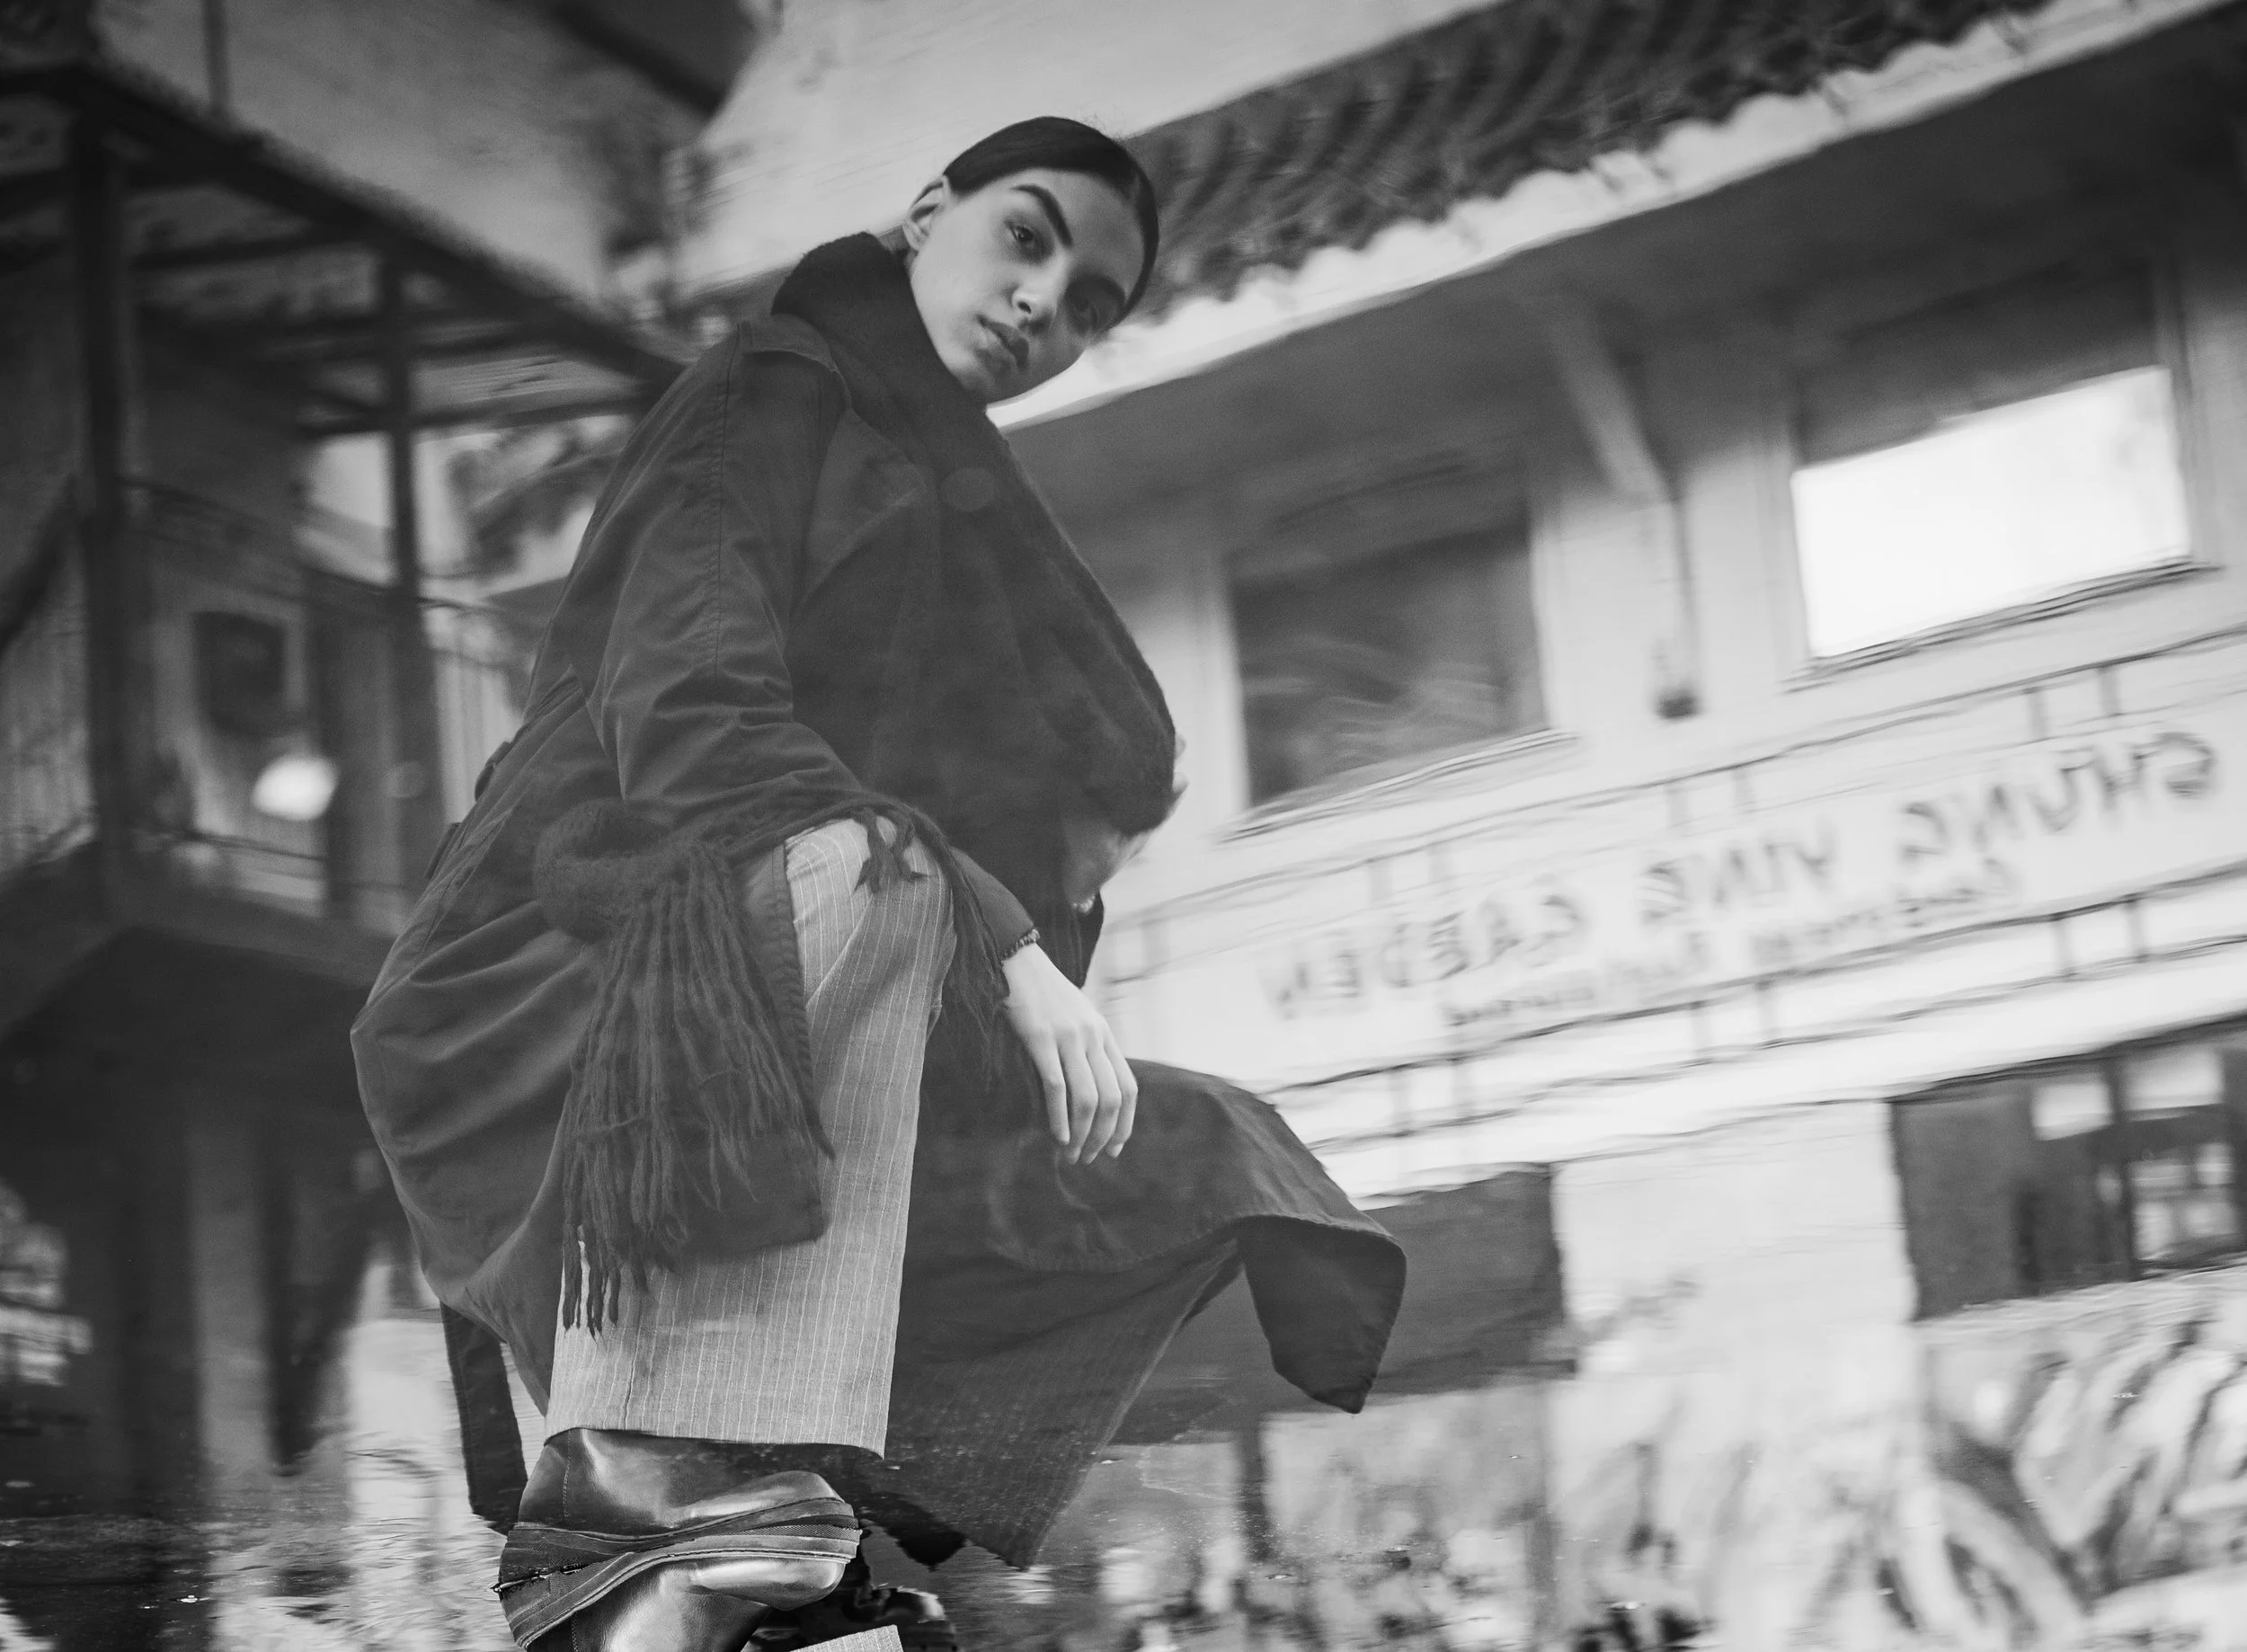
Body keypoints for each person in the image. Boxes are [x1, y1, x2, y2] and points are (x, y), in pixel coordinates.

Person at [351, 118, 1405, 1652]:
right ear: (928, 214)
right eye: (1027, 239)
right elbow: (700, 734)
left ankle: (789, 1496)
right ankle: (690, 1478)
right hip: (561, 960)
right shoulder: (762, 397)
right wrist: (1004, 937)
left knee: (1191, 1140)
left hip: (788, 994)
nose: (1048, 303)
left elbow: (1019, 776)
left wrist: (1025, 900)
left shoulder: (950, 498)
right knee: (887, 881)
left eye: (1094, 301)